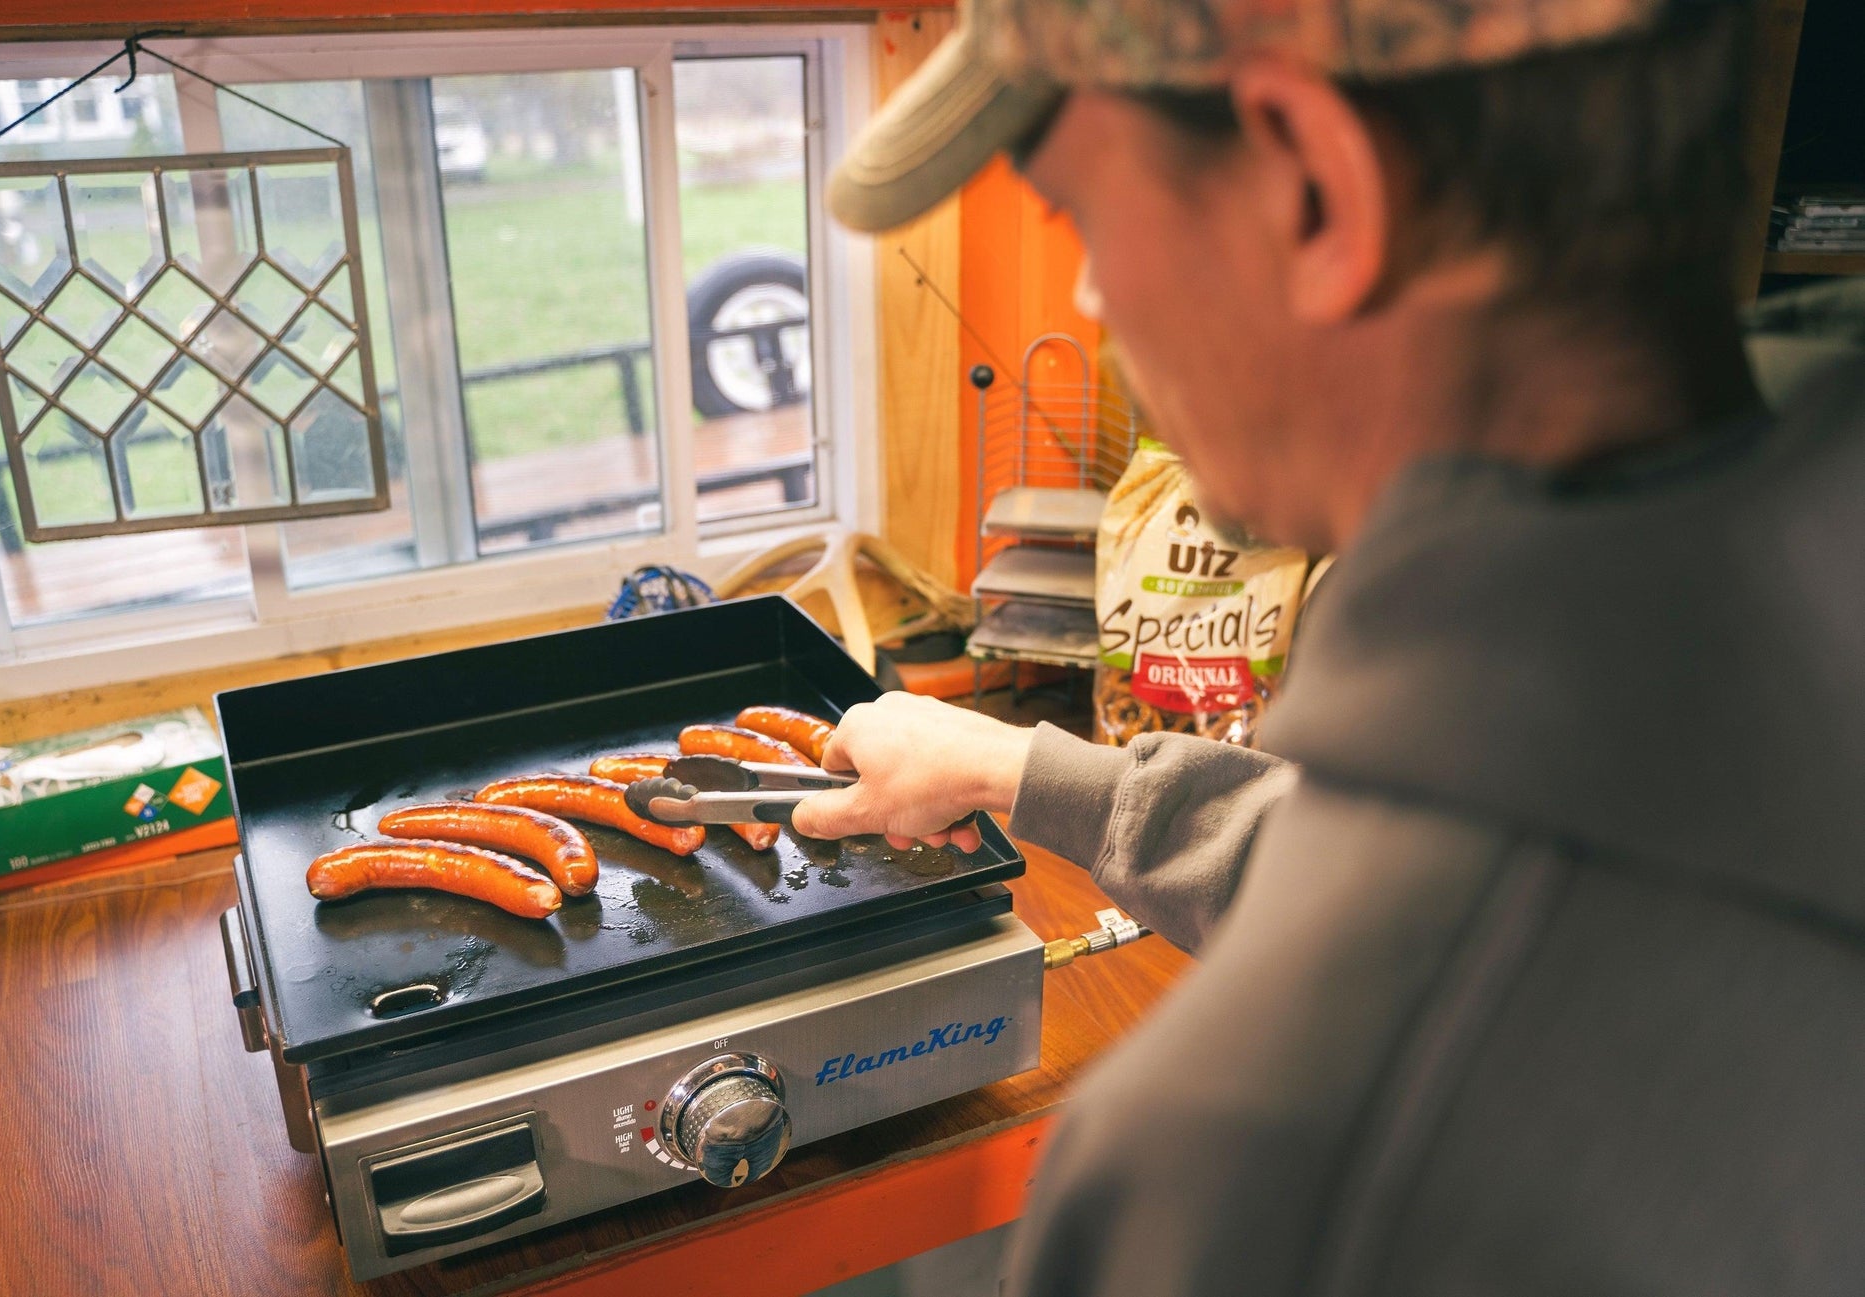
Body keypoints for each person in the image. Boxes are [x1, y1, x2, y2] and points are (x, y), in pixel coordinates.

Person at [794, 0, 1865, 1291]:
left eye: (1077, 216)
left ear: (1313, 192)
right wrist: (1021, 768)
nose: (1091, 297)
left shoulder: (1273, 1175)